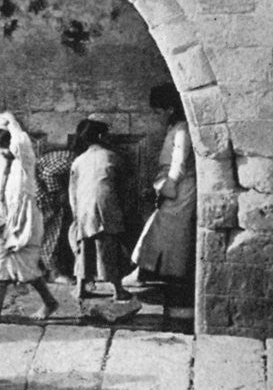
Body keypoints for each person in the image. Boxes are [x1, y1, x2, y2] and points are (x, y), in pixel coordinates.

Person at [0, 112, 60, 323]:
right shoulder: (1, 161)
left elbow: (21, 142)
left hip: (24, 219)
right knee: (0, 260)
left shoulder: (26, 162)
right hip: (2, 215)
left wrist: (11, 122)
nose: (6, 152)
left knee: (26, 265)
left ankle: (49, 302)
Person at [125, 83, 196, 286]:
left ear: (170, 109)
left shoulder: (183, 129)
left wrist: (170, 185)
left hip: (181, 187)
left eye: (158, 112)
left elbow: (179, 162)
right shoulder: (174, 127)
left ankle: (157, 274)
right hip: (172, 185)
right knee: (159, 230)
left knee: (168, 232)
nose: (157, 116)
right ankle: (145, 272)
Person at [68, 118, 132, 303]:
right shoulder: (112, 157)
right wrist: (124, 209)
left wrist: (76, 213)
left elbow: (72, 191)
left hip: (84, 208)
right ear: (102, 136)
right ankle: (118, 290)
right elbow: (125, 186)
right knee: (109, 248)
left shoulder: (79, 161)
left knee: (84, 247)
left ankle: (80, 288)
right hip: (106, 207)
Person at [35, 146, 76, 284]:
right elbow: (48, 173)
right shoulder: (73, 159)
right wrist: (59, 193)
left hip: (40, 189)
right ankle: (53, 273)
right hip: (39, 191)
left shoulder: (70, 156)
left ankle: (46, 271)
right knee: (51, 232)